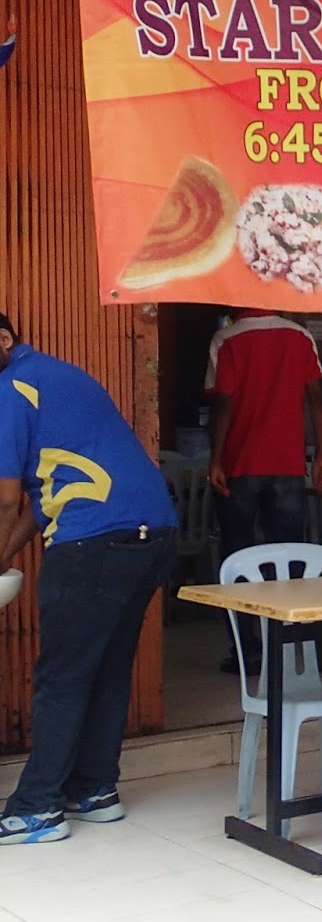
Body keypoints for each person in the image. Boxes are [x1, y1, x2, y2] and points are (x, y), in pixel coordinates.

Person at [0, 313, 177, 845]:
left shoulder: (9, 388)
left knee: (63, 675)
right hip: (153, 532)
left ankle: (36, 809)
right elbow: (42, 497)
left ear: (4, 339)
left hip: (94, 539)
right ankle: (94, 790)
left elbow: (7, 496)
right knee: (105, 666)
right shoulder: (58, 376)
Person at [206, 309, 322, 674]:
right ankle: (289, 646)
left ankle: (247, 652)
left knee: (237, 559)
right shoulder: (299, 336)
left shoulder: (226, 339)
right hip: (288, 465)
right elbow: (317, 399)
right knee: (290, 560)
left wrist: (215, 459)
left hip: (240, 465)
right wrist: (320, 454)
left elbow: (223, 403)